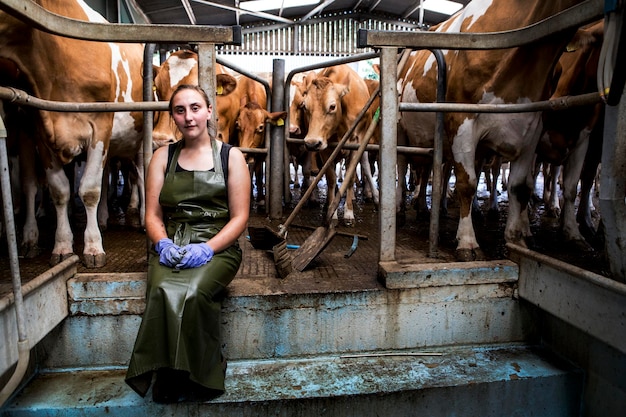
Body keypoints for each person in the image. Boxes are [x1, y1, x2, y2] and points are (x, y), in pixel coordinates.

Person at [125, 84, 251, 403]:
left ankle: (205, 371)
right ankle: (168, 371)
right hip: (173, 241)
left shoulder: (231, 157)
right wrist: (163, 244)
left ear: (209, 112)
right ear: (173, 118)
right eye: (180, 111)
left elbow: (239, 219)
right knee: (162, 290)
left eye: (195, 108)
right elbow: (152, 215)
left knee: (193, 294)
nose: (189, 117)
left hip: (218, 246)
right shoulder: (162, 157)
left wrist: (208, 248)